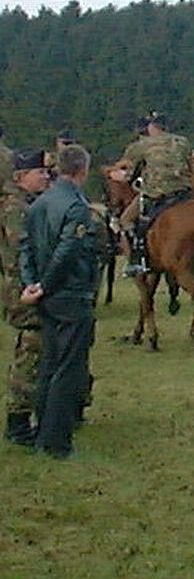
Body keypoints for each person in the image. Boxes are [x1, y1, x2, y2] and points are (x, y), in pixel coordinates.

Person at [19, 144, 98, 459]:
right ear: (83, 170)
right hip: (70, 293)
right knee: (69, 368)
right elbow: (68, 251)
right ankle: (56, 442)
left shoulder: (39, 203)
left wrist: (32, 284)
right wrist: (48, 284)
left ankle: (42, 430)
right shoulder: (76, 206)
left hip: (45, 295)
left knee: (50, 364)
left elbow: (26, 247)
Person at [1, 150, 50, 446]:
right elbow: (23, 247)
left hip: (29, 285)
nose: (45, 176)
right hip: (23, 288)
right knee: (31, 349)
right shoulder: (15, 208)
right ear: (21, 178)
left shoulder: (25, 204)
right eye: (39, 173)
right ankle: (17, 421)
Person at [110, 112, 193, 276]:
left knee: (126, 220)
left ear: (151, 127)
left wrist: (118, 176)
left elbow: (129, 171)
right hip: (183, 194)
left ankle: (136, 259)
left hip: (157, 194)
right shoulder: (183, 142)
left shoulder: (142, 145)